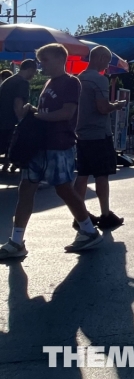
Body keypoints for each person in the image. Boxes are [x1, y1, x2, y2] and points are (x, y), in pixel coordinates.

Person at [0, 44, 102, 260]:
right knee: (26, 189)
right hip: (40, 145)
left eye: (44, 60)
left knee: (64, 189)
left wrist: (36, 116)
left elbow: (66, 113)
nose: (40, 65)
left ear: (58, 58)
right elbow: (50, 112)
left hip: (58, 144)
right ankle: (16, 241)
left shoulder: (70, 82)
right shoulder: (49, 83)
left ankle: (89, 230)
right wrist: (34, 111)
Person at [74, 46, 128, 230]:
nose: (107, 65)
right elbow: (103, 108)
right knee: (101, 175)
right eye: (106, 61)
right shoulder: (99, 79)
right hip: (98, 133)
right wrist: (117, 105)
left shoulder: (79, 78)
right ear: (100, 58)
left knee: (82, 174)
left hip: (82, 133)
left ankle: (79, 214)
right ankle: (106, 214)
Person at [0, 60, 37, 174]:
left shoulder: (9, 80)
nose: (34, 75)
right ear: (30, 69)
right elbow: (18, 104)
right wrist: (29, 108)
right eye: (34, 72)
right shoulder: (22, 83)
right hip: (10, 122)